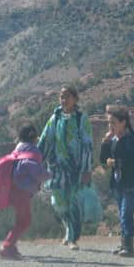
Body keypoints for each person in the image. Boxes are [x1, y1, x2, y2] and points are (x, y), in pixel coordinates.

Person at [37, 86, 93, 250]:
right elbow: (45, 140)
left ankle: (72, 237)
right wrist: (35, 160)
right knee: (58, 203)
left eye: (67, 96)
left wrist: (86, 169)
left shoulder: (81, 119)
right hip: (56, 169)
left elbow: (88, 145)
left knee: (72, 203)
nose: (63, 100)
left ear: (75, 99)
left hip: (76, 169)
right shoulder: (54, 118)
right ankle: (69, 229)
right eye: (61, 97)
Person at [0, 124, 49, 261]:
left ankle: (12, 247)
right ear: (33, 136)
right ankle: (7, 247)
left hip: (13, 189)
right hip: (22, 190)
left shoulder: (18, 148)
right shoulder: (32, 150)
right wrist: (48, 174)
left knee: (20, 219)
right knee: (25, 220)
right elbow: (30, 167)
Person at [99, 108, 134, 257]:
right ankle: (124, 243)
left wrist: (116, 161)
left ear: (123, 123)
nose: (110, 125)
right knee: (121, 213)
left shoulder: (131, 140)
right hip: (118, 182)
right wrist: (105, 143)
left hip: (131, 183)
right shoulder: (112, 140)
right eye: (109, 122)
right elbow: (102, 160)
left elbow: (133, 160)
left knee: (126, 213)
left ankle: (129, 247)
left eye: (113, 122)